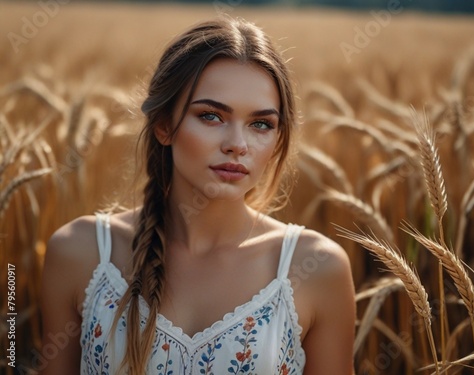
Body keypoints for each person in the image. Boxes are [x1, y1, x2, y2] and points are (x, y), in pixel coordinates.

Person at [41, 16, 356, 375]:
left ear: (278, 138)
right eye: (211, 116)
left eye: (261, 124)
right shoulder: (80, 253)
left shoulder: (316, 268)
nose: (237, 145)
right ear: (163, 125)